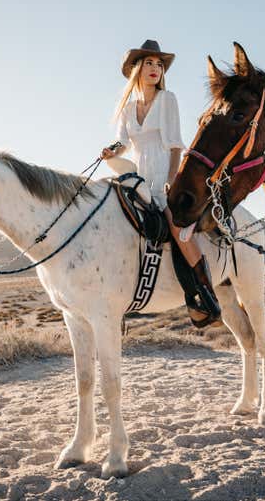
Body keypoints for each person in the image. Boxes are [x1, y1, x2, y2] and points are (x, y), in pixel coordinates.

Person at [101, 39, 221, 327]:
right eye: (149, 63)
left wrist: (171, 181)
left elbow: (175, 145)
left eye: (159, 64)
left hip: (165, 172)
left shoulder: (168, 100)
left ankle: (204, 294)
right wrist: (111, 151)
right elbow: (124, 141)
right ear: (136, 69)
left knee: (177, 227)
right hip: (138, 175)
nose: (156, 69)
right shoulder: (128, 107)